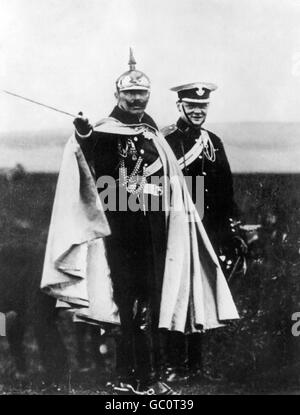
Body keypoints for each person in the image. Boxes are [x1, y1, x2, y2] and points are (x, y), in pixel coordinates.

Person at [41, 56, 239, 395]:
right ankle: (133, 376)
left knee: (151, 301)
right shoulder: (105, 130)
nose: (137, 99)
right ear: (118, 94)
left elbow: (170, 179)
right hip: (120, 230)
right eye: (131, 93)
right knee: (127, 303)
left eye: (142, 93)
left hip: (156, 230)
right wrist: (84, 131)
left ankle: (141, 375)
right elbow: (89, 156)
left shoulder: (150, 129)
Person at [162, 82, 247, 381]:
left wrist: (230, 231)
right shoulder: (165, 140)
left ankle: (195, 366)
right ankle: (173, 365)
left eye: (203, 107)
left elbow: (225, 191)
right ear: (180, 106)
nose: (198, 111)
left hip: (207, 229)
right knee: (174, 293)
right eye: (192, 106)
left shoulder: (214, 142)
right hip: (175, 228)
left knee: (200, 292)